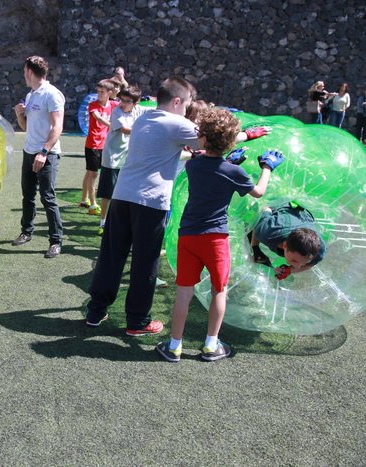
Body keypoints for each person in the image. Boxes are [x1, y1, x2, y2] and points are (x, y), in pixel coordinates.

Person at [85, 76, 269, 336]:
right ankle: (137, 321)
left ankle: (95, 311)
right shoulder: (176, 123)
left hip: (122, 196)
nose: (187, 111)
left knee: (111, 256)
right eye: (186, 105)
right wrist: (248, 134)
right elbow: (216, 139)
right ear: (177, 101)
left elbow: (173, 150)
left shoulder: (143, 119)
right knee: (145, 261)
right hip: (150, 202)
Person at [155, 108, 283, 363]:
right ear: (229, 142)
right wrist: (267, 167)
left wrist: (230, 161)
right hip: (215, 240)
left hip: (189, 236)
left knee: (184, 292)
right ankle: (211, 345)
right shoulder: (233, 172)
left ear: (202, 138)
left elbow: (209, 166)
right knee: (219, 291)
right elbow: (257, 191)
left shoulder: (194, 164)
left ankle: (174, 346)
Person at [12, 55, 65, 258]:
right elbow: (26, 127)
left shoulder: (52, 95)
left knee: (48, 197)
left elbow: (57, 126)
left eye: (25, 71)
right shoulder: (31, 94)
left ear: (31, 72)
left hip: (47, 154)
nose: (24, 75)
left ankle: (55, 241)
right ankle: (26, 232)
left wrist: (44, 152)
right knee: (28, 196)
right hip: (29, 151)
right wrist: (19, 115)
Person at [96, 85, 147, 235]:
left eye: (127, 101)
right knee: (108, 193)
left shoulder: (139, 109)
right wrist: (146, 130)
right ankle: (103, 223)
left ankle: (120, 222)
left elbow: (154, 110)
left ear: (136, 103)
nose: (122, 103)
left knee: (125, 192)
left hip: (128, 159)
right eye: (121, 100)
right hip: (112, 158)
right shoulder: (117, 111)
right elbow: (125, 129)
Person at [249, 202, 325, 280]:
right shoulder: (268, 232)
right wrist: (254, 246)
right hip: (281, 205)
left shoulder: (319, 249)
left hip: (303, 215)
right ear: (284, 245)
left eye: (304, 263)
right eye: (294, 261)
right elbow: (264, 207)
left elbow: (310, 264)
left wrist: (289, 270)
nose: (297, 267)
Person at [79, 79, 115, 215]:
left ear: (109, 93)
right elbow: (98, 118)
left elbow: (125, 102)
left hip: (105, 144)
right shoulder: (93, 105)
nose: (99, 94)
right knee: (93, 174)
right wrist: (114, 126)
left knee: (90, 172)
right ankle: (93, 204)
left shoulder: (113, 104)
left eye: (102, 92)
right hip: (93, 144)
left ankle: (84, 199)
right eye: (98, 91)